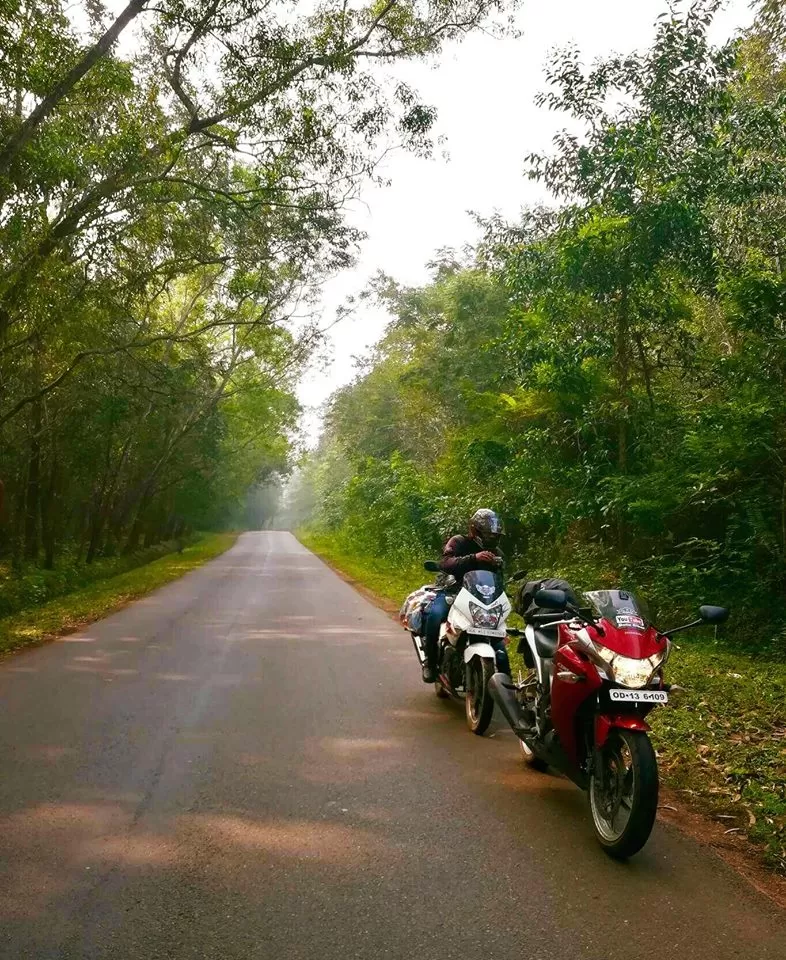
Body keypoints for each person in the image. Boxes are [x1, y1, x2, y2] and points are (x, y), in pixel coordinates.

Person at [422, 508, 505, 683]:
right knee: (435, 616)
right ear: (475, 531)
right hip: (453, 591)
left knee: (499, 638)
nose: (492, 538)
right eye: (488, 534)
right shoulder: (458, 542)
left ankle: (507, 686)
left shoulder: (497, 553)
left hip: (481, 599)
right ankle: (430, 662)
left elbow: (498, 581)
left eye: (494, 535)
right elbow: (445, 562)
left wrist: (499, 569)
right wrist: (474, 558)